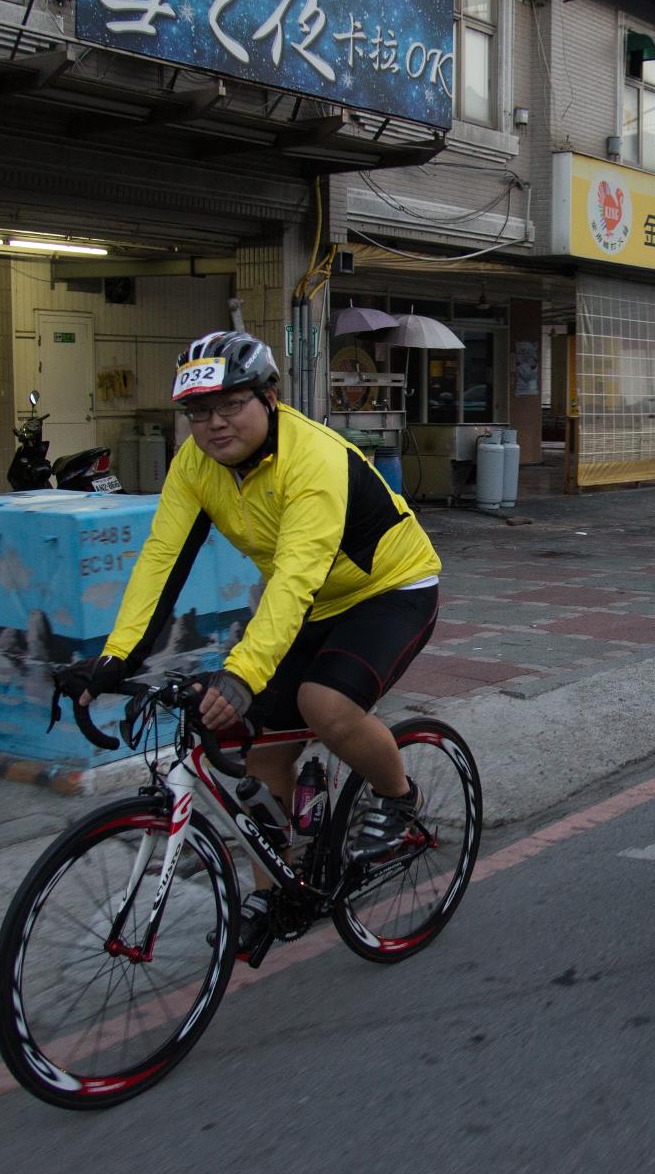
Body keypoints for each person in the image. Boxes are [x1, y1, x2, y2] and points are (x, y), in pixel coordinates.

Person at [56, 331, 443, 956]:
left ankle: (399, 799)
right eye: (198, 411)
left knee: (325, 704)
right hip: (310, 602)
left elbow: (294, 576)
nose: (214, 424)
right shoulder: (195, 464)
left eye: (231, 404)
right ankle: (276, 892)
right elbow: (161, 559)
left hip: (390, 589)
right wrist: (114, 658)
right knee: (257, 746)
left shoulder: (312, 458)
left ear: (269, 397)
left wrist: (241, 675)